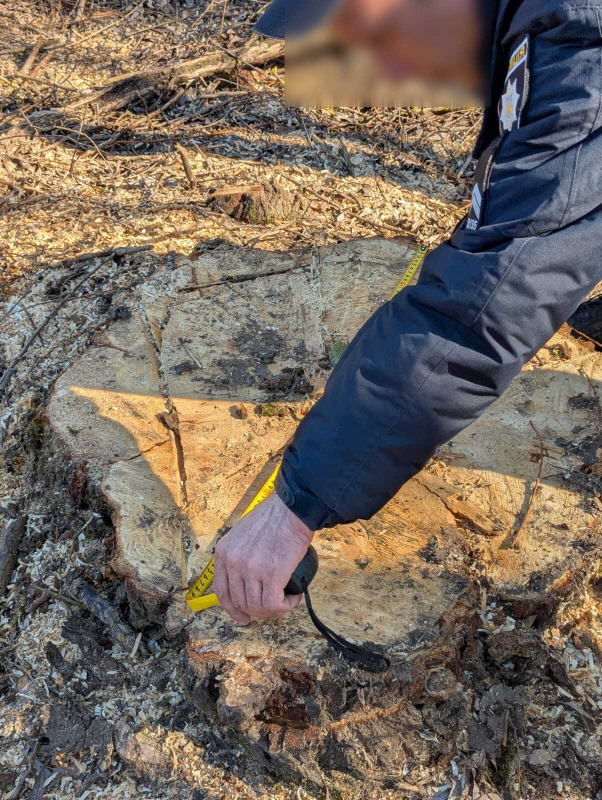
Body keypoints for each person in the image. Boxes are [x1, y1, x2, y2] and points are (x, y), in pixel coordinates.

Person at [212, 0, 602, 626]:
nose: (388, 71)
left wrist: (296, 504)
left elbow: (480, 307)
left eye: (376, 36)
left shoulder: (582, 45)